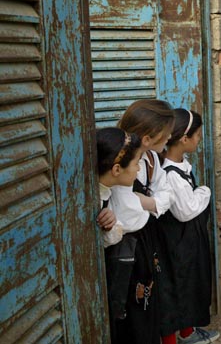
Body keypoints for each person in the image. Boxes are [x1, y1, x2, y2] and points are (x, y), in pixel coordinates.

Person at [108, 99, 175, 343]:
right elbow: (129, 217)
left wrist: (144, 201)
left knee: (151, 300)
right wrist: (152, 203)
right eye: (166, 136)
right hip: (128, 248)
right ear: (147, 139)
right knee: (133, 310)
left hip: (147, 241)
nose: (169, 140)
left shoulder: (152, 159)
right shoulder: (123, 161)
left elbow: (167, 197)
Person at [158, 108, 220, 344]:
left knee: (189, 285)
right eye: (197, 135)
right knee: (176, 289)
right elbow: (185, 211)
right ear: (184, 139)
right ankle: (174, 339)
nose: (199, 139)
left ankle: (187, 332)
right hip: (176, 242)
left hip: (186, 241)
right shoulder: (170, 174)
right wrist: (204, 191)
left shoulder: (180, 164)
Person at [97, 127, 154, 343]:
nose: (139, 169)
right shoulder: (91, 200)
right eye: (136, 163)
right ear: (117, 169)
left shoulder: (106, 194)